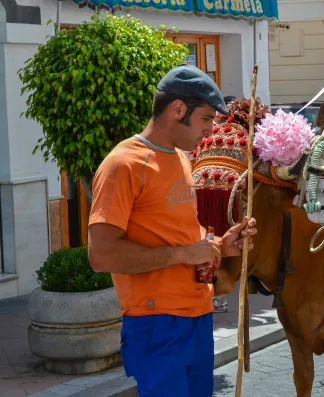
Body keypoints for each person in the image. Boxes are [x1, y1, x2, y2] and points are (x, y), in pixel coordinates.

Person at [87, 64, 258, 397]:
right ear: (178, 109)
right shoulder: (122, 164)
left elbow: (179, 234)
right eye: (206, 118)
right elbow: (101, 255)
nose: (210, 130)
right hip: (155, 321)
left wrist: (222, 245)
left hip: (198, 315)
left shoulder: (182, 159)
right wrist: (184, 254)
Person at [212, 94, 238, 313]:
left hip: (229, 197)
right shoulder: (205, 136)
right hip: (209, 199)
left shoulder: (241, 134)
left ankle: (219, 297)